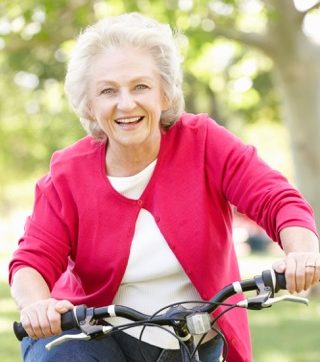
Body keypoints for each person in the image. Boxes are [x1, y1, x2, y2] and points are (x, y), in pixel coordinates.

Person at [8, 12, 320, 362]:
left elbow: (277, 199)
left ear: (165, 94)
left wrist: (302, 253)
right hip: (93, 337)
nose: (126, 104)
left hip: (195, 337)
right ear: (90, 105)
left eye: (141, 86)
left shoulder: (203, 143)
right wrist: (38, 305)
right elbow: (31, 260)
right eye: (108, 91)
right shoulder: (68, 174)